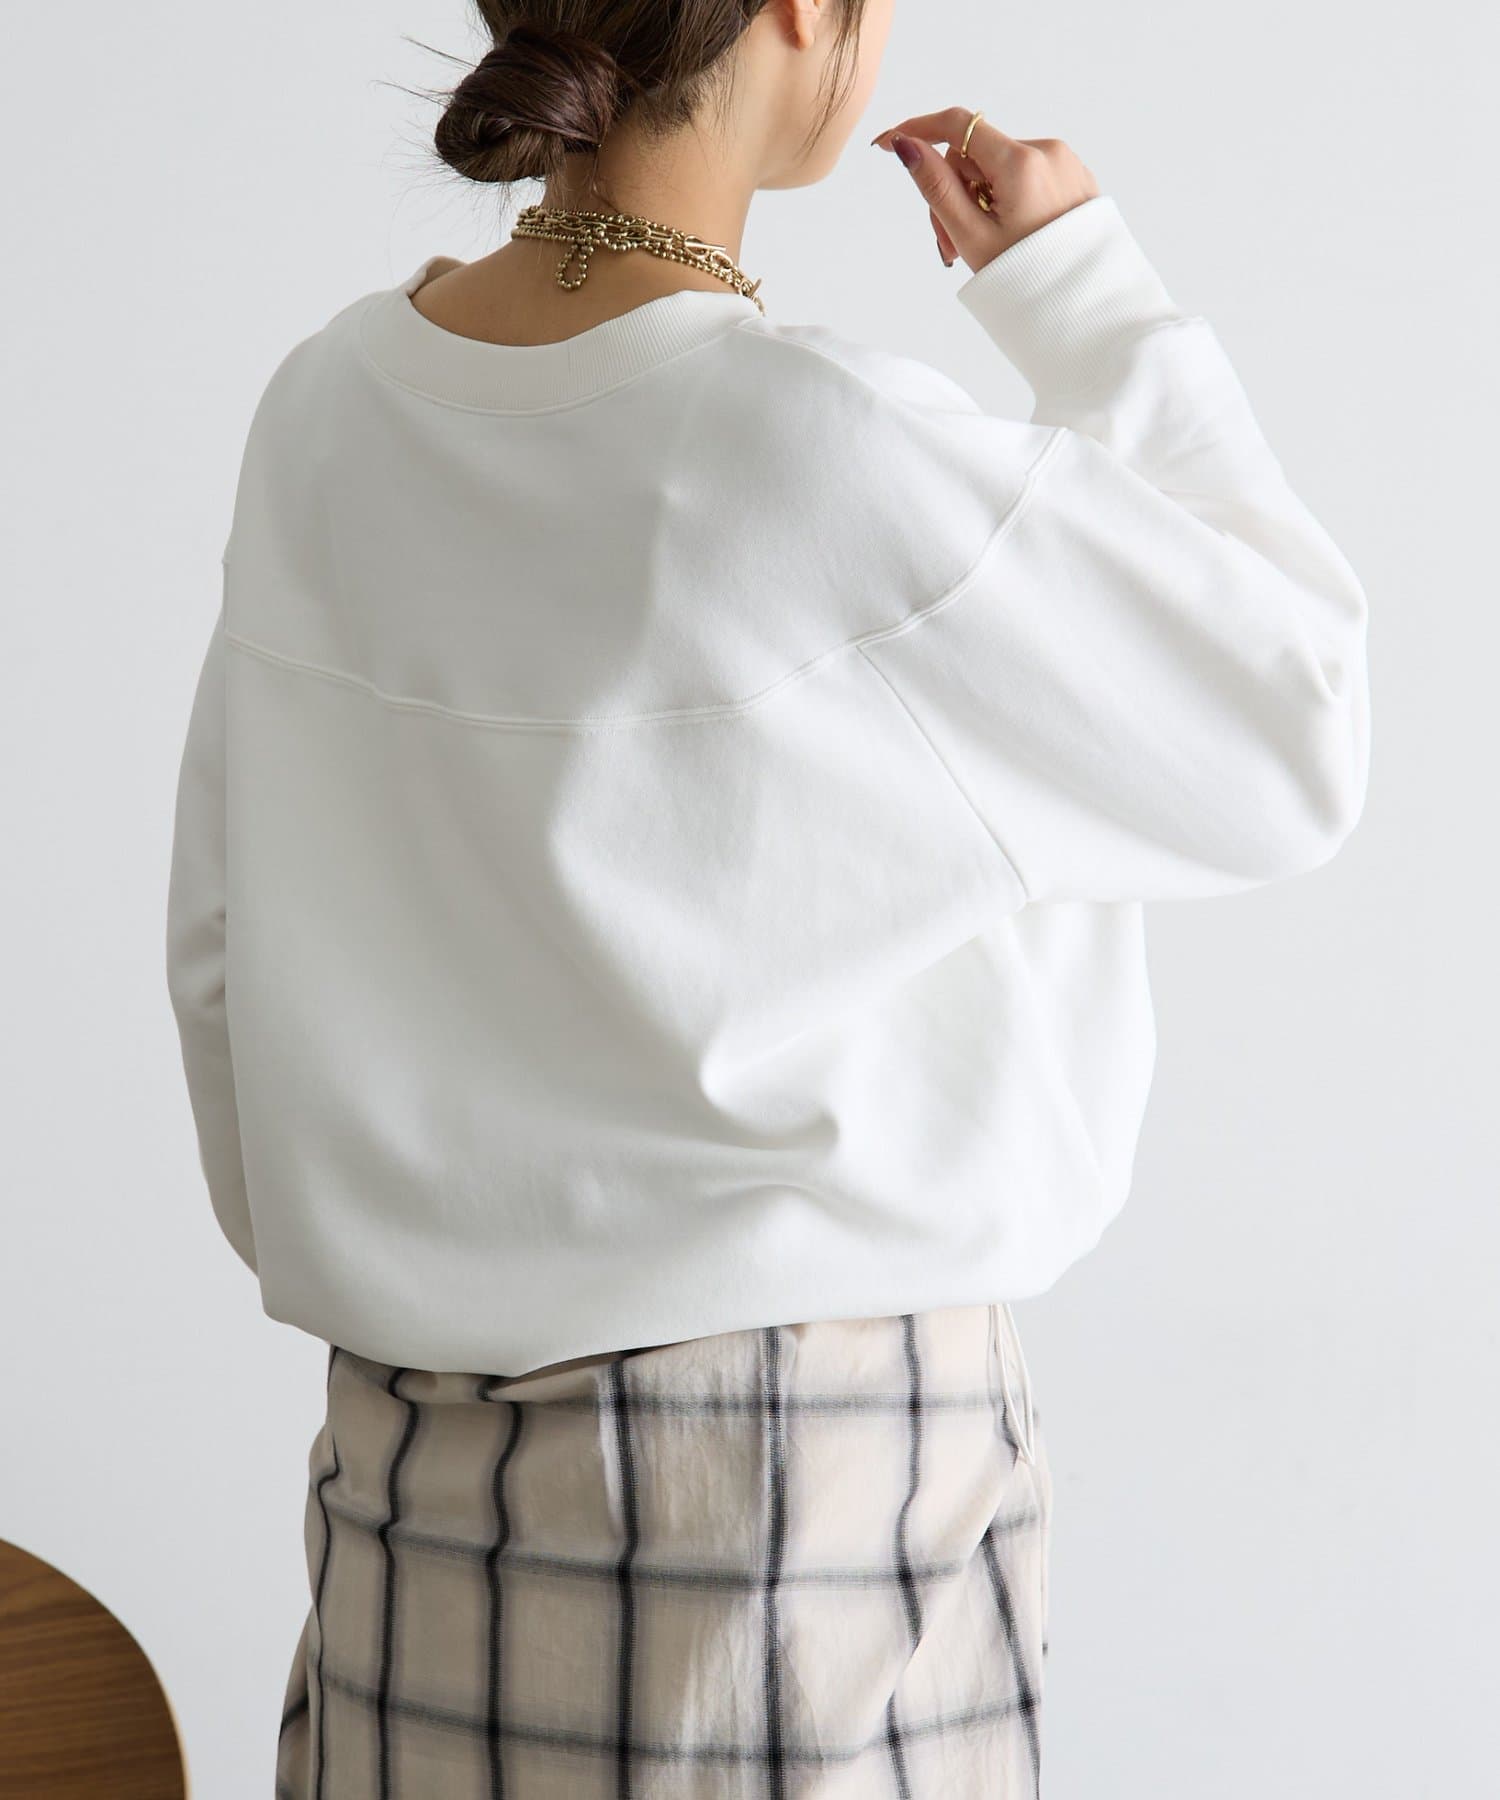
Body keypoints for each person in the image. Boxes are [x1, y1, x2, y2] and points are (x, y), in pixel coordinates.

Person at [163, 1, 1371, 1793]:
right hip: (799, 1521)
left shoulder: (328, 409)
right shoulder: (822, 448)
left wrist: (427, 1268)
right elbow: (1292, 731)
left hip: (411, 1504)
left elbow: (222, 953)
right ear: (804, 14)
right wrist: (1080, 293)